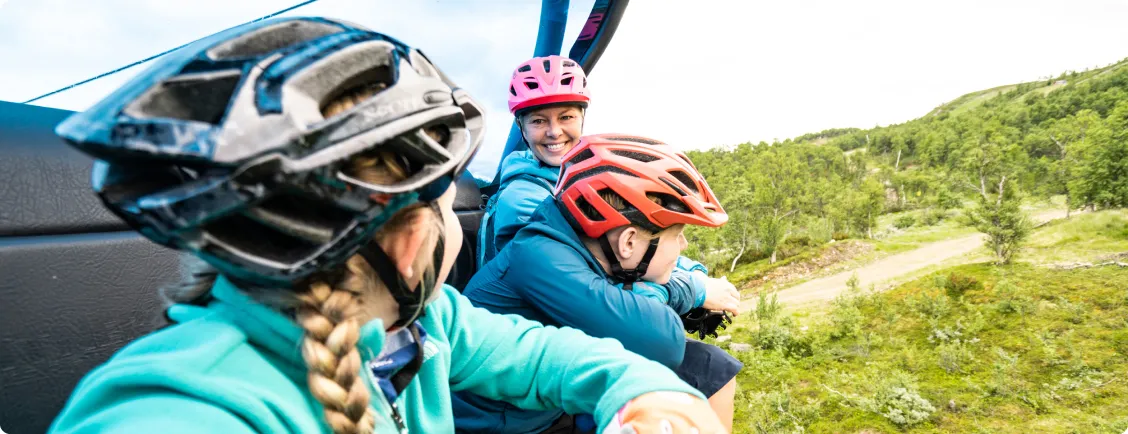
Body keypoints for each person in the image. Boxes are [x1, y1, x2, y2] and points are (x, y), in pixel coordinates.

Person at [45, 17, 728, 434]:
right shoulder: (187, 406)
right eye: (448, 202)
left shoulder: (428, 321)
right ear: (411, 243)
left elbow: (546, 354)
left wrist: (642, 392)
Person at [454, 134, 745, 434]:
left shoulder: (579, 246)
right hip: (506, 428)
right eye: (677, 235)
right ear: (628, 242)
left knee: (711, 366)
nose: (683, 245)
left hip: (546, 408)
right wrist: (687, 290)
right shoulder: (540, 258)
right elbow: (663, 342)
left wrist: (691, 283)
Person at [480, 55, 739, 319]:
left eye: (566, 116)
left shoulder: (581, 175)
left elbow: (636, 240)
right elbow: (589, 290)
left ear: (582, 117)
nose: (554, 131)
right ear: (521, 127)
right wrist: (694, 290)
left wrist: (694, 272)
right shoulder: (522, 199)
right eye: (538, 121)